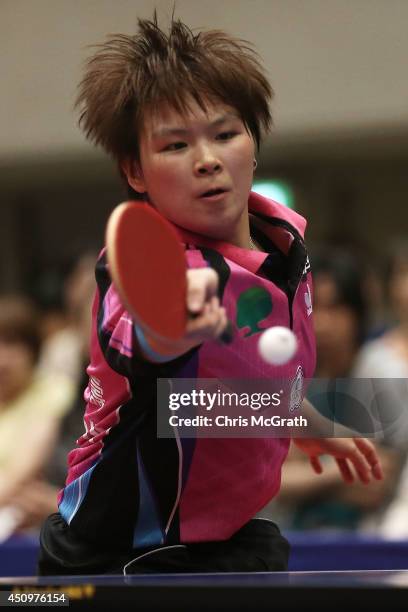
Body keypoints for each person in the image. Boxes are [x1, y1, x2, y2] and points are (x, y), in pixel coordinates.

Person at [38, 14, 382, 575]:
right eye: (175, 145)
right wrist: (170, 318)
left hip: (231, 536)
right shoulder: (148, 264)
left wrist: (308, 425)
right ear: (136, 170)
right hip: (120, 549)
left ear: (254, 142)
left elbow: (215, 395)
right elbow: (137, 342)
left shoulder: (288, 243)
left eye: (225, 134)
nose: (208, 159)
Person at [0, 296, 74, 537]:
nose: (3, 360)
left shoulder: (55, 393)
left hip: (26, 527)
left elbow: (19, 475)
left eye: (12, 345)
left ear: (33, 350)